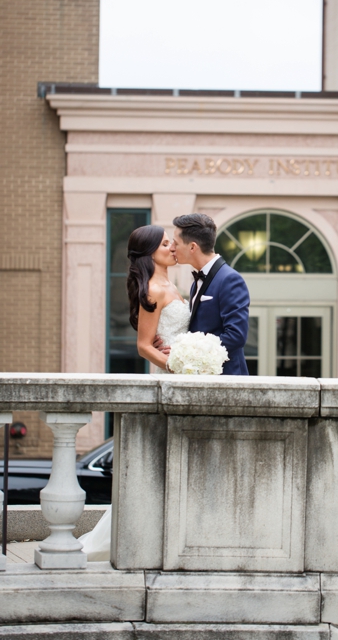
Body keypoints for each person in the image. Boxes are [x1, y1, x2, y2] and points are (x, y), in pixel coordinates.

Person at [80, 224, 190, 560]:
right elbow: (144, 346)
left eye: (172, 243)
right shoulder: (153, 290)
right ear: (150, 252)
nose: (172, 247)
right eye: (166, 243)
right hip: (173, 380)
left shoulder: (173, 284)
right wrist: (177, 366)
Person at [155, 213, 250, 375]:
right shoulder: (196, 282)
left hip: (226, 377)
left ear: (192, 247)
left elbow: (236, 336)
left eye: (175, 243)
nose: (171, 248)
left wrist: (184, 352)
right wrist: (166, 341)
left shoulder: (230, 279)